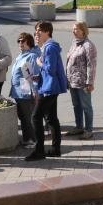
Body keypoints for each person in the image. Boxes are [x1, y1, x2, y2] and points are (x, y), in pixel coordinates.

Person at [24, 20, 68, 162]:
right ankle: (55, 150)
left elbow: (51, 69)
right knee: (51, 119)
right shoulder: (47, 47)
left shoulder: (50, 47)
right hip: (48, 86)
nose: (36, 33)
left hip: (49, 88)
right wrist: (37, 76)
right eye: (36, 30)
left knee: (35, 117)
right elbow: (48, 71)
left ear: (47, 32)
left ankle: (39, 150)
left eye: (39, 31)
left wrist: (39, 63)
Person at [65, 22, 97, 140]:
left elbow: (91, 65)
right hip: (73, 81)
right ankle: (79, 126)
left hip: (83, 82)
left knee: (86, 106)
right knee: (76, 105)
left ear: (83, 30)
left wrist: (90, 82)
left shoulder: (88, 45)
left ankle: (89, 130)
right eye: (73, 29)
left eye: (76, 29)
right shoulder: (74, 43)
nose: (74, 31)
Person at [9, 32, 40, 149]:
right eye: (19, 41)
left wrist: (35, 91)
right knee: (23, 116)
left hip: (25, 90)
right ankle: (27, 139)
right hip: (18, 91)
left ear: (29, 42)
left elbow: (32, 76)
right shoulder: (21, 55)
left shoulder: (30, 56)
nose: (20, 43)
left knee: (28, 117)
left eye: (23, 41)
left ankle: (34, 140)